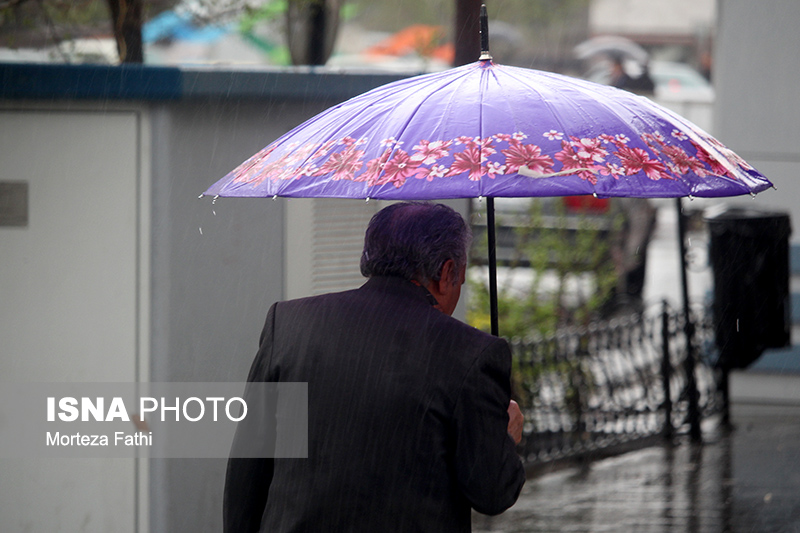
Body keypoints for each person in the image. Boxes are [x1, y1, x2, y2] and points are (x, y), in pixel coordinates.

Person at [224, 201, 526, 532]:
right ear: (446, 273)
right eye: (460, 280)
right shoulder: (470, 353)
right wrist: (504, 438)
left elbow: (248, 467)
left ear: (369, 258)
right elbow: (492, 493)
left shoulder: (290, 323)